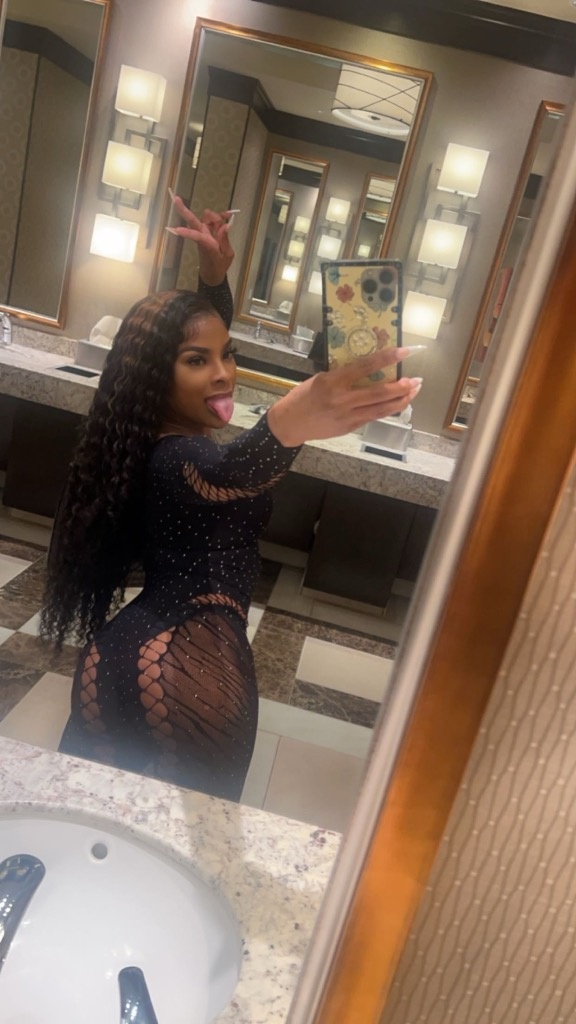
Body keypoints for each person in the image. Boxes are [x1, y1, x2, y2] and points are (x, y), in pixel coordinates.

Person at [40, 197, 423, 801]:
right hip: (189, 663)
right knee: (195, 840)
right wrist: (292, 419)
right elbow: (233, 472)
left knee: (81, 817)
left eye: (229, 355)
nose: (222, 373)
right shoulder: (178, 459)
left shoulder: (144, 437)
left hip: (120, 652)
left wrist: (214, 280)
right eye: (198, 362)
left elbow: (200, 351)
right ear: (155, 376)